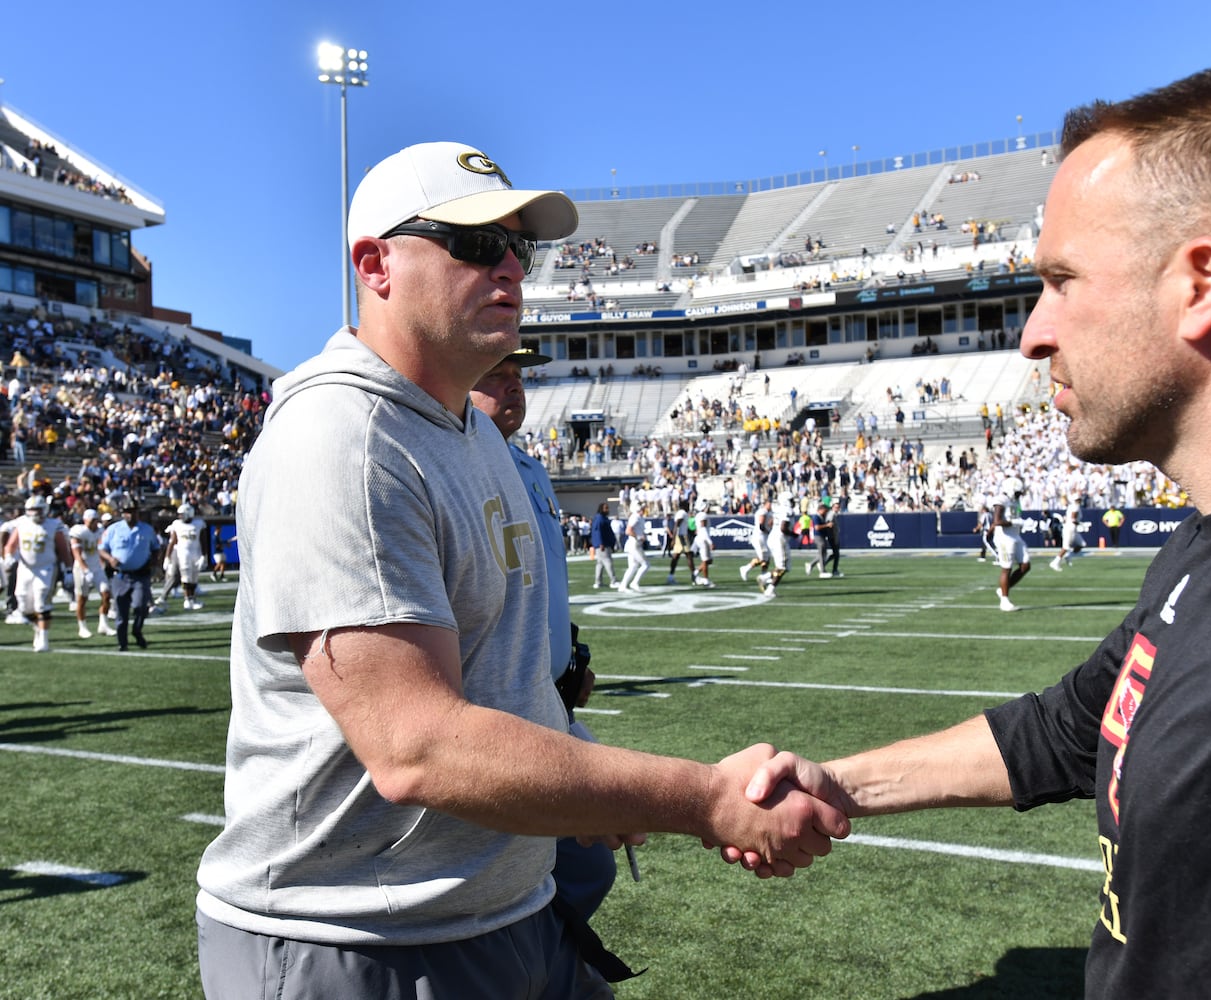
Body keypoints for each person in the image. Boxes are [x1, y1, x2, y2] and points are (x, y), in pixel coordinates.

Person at [731, 61, 1211, 999]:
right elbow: (1069, 732)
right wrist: (838, 786)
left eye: (1060, 280)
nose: (1032, 334)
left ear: (1201, 282)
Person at [194, 140, 847, 1000]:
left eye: (518, 248)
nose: (508, 268)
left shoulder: (468, 430)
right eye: (471, 244)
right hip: (358, 939)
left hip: (505, 913)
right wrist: (698, 798)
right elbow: (417, 747)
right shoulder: (342, 439)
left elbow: (505, 688)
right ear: (375, 264)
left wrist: (600, 784)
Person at [470, 347, 618, 920]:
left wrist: (569, 656)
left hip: (550, 697)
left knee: (589, 859)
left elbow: (543, 581)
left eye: (517, 377)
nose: (513, 387)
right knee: (580, 862)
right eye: (496, 376)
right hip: (504, 707)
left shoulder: (529, 469)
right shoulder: (462, 466)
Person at [2, 494, 72, 652]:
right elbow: (11, 544)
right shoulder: (21, 523)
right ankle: (38, 628)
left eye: (37, 510)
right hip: (25, 568)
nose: (35, 514)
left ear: (44, 510)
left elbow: (63, 549)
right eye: (32, 510)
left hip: (46, 568)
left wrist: (68, 570)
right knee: (23, 605)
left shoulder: (54, 525)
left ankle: (44, 640)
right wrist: (7, 556)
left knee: (41, 602)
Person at [98, 498, 162, 651]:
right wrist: (110, 559)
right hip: (120, 575)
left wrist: (153, 562)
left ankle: (137, 630)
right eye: (126, 512)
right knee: (121, 610)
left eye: (132, 511)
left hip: (141, 574)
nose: (130, 515)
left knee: (141, 606)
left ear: (137, 512)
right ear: (122, 513)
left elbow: (156, 548)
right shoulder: (113, 529)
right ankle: (122, 642)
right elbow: (101, 548)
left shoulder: (146, 529)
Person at [68, 507, 115, 637]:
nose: (93, 523)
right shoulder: (78, 531)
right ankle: (82, 627)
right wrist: (85, 570)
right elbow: (76, 554)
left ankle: (103, 625)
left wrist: (107, 561)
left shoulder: (100, 531)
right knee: (82, 599)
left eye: (95, 520)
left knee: (106, 594)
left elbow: (102, 548)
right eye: (91, 521)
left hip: (97, 568)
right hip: (81, 569)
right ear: (85, 520)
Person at [990, 477, 1030, 611]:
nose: (1019, 495)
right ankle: (1004, 601)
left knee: (1025, 565)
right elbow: (997, 521)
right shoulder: (1001, 500)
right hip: (1005, 538)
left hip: (1015, 535)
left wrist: (1024, 522)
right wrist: (1017, 523)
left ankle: (1002, 591)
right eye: (1018, 492)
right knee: (1007, 568)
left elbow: (1014, 517)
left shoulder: (1015, 500)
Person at [160, 502, 207, 611]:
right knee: (186, 576)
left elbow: (204, 541)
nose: (180, 516)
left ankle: (192, 599)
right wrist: (167, 557)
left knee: (194, 578)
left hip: (196, 552)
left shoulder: (199, 523)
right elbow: (172, 542)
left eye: (182, 514)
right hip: (183, 553)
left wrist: (204, 556)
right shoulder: (177, 524)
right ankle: (187, 600)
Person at [618, 501, 650, 592]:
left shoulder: (640, 517)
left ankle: (622, 586)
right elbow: (628, 531)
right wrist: (639, 537)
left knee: (633, 566)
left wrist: (643, 536)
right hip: (634, 544)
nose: (645, 509)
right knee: (645, 564)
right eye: (643, 508)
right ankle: (634, 583)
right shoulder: (635, 517)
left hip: (636, 544)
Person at [739, 497, 772, 584]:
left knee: (766, 557)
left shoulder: (768, 512)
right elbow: (761, 525)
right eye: (769, 503)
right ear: (766, 504)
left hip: (764, 537)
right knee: (763, 557)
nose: (771, 505)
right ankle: (747, 569)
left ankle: (763, 575)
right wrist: (768, 531)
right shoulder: (763, 511)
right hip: (759, 537)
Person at [1049, 501, 1085, 571]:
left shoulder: (1072, 506)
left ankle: (1068, 555)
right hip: (1069, 528)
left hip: (1072, 528)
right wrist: (1080, 523)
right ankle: (1055, 562)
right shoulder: (1075, 506)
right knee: (1066, 547)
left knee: (1082, 544)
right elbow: (1073, 519)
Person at [590, 500, 618, 589]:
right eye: (606, 508)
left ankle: (598, 582)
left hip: (605, 543)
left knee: (600, 564)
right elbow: (597, 531)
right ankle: (613, 581)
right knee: (608, 562)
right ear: (601, 509)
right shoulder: (599, 518)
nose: (607, 509)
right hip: (603, 544)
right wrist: (600, 543)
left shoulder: (603, 518)